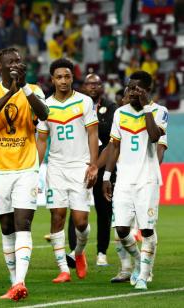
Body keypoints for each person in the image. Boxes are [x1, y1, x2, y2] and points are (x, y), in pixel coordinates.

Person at [0, 47, 49, 301]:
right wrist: (10, 93)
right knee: (6, 226)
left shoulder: (34, 91)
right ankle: (12, 277)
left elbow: (44, 114)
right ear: (0, 67)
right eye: (11, 61)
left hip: (26, 167)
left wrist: (25, 88)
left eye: (19, 60)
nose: (16, 64)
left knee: (23, 224)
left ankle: (20, 282)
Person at [103, 71, 168, 290]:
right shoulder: (120, 112)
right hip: (123, 180)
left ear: (146, 90)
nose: (130, 92)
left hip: (147, 180)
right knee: (121, 229)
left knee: (147, 230)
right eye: (129, 87)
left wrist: (146, 107)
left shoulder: (160, 111)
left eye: (135, 88)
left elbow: (154, 136)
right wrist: (106, 176)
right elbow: (114, 146)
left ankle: (143, 276)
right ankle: (141, 262)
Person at [36, 58, 99, 283]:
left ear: (73, 78)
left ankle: (79, 253)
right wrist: (36, 169)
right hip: (56, 167)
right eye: (59, 77)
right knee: (57, 216)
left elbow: (93, 134)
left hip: (80, 166)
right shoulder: (45, 106)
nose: (64, 81)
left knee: (81, 221)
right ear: (52, 80)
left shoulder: (84, 102)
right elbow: (42, 140)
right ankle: (63, 269)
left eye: (68, 76)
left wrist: (94, 164)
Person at [82, 73, 117, 267]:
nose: (93, 87)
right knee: (78, 208)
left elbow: (110, 134)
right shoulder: (79, 105)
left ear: (101, 87)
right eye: (89, 84)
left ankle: (101, 252)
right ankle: (75, 251)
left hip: (104, 166)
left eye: (96, 84)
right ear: (84, 86)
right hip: (82, 165)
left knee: (104, 211)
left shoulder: (111, 107)